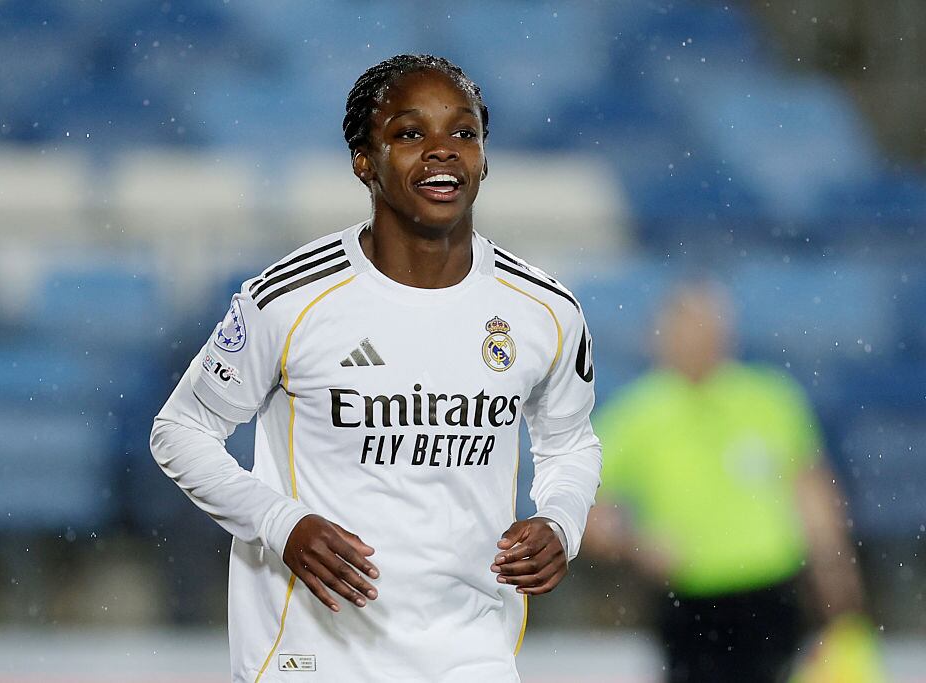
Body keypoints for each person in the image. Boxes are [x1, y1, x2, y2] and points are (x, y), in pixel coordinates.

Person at [150, 54, 603, 682]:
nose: (443, 152)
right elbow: (179, 432)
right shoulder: (287, 301)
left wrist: (561, 521)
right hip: (311, 653)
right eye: (411, 133)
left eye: (464, 133)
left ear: (486, 159)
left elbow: (571, 444)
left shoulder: (544, 310)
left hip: (469, 654)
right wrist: (282, 522)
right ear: (365, 161)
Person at [584, 281, 866, 683]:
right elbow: (584, 505)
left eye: (708, 327)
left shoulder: (769, 400)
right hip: (690, 598)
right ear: (661, 337)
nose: (699, 340)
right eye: (688, 328)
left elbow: (813, 496)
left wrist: (838, 589)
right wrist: (634, 543)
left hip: (770, 590)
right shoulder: (637, 415)